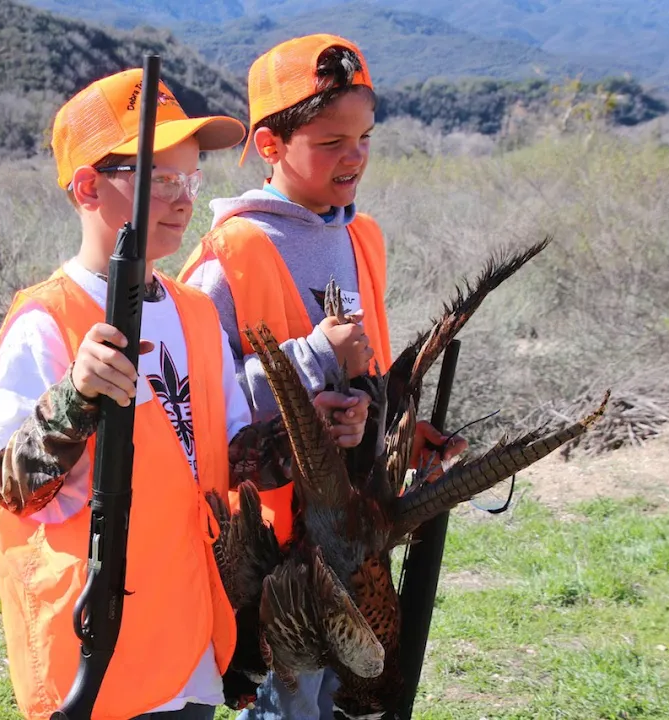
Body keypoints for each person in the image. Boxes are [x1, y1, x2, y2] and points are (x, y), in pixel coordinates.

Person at [0, 67, 372, 720]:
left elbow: (227, 457)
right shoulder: (47, 321)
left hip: (189, 634)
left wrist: (312, 435)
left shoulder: (192, 312)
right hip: (95, 647)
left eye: (191, 177)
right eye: (159, 178)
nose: (183, 195)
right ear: (87, 186)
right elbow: (13, 488)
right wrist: (77, 397)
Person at [179, 35, 467, 720]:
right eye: (331, 141)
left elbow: (369, 373)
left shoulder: (362, 236)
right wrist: (308, 360)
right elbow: (196, 408)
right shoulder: (230, 257)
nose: (356, 155)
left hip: (357, 532)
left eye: (365, 136)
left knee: (356, 696)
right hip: (277, 554)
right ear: (271, 146)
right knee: (291, 703)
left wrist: (402, 432)